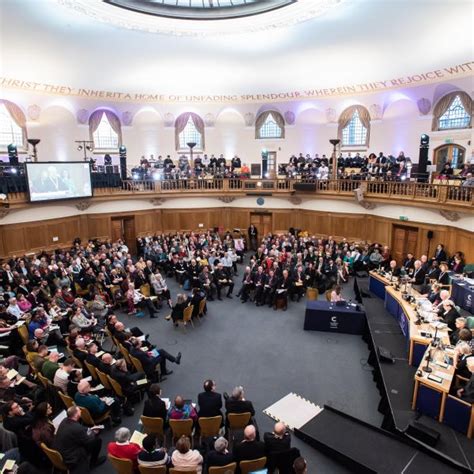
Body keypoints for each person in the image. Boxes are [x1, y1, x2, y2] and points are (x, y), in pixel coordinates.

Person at [53, 405, 105, 473]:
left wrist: (88, 430)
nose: (81, 411)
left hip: (62, 450)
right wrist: (94, 432)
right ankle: (93, 462)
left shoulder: (65, 420)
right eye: (79, 410)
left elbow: (80, 431)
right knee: (97, 440)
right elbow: (88, 440)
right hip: (71, 457)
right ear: (76, 414)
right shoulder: (76, 428)